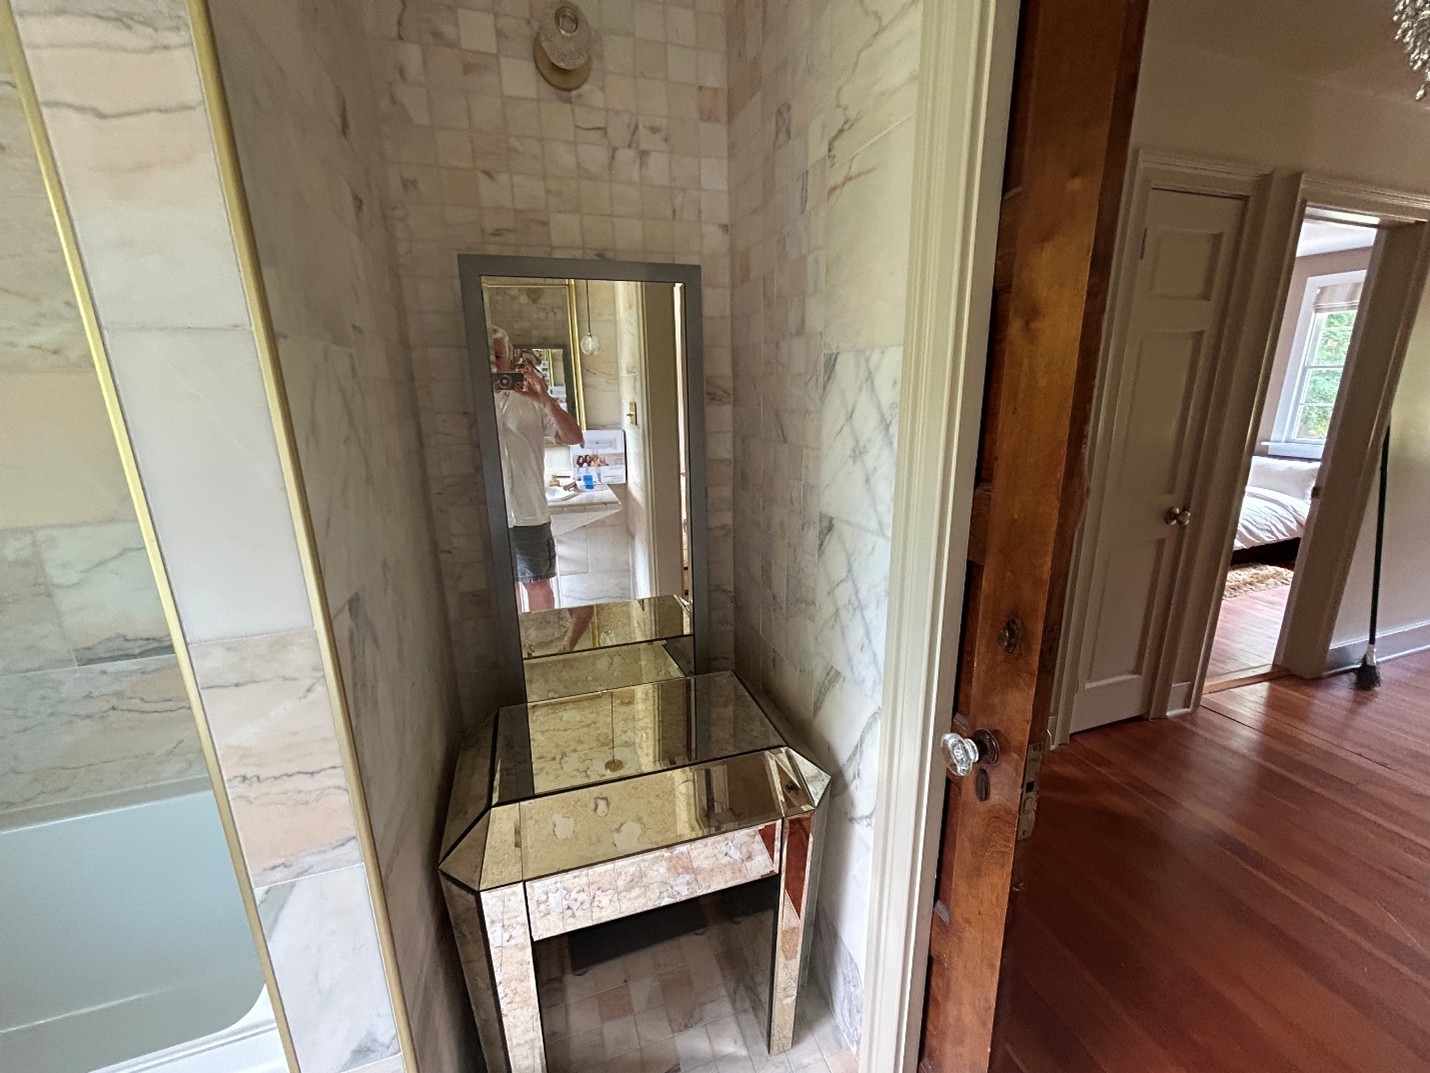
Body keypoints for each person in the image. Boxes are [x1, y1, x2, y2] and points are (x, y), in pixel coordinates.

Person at [490, 325, 584, 611]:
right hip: (488, 514)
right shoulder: (468, 401)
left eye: (498, 356)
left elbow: (573, 437)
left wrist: (545, 399)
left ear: (509, 357)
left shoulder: (529, 400)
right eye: (486, 356)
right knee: (502, 590)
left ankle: (545, 638)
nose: (493, 363)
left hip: (528, 512)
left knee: (538, 584)